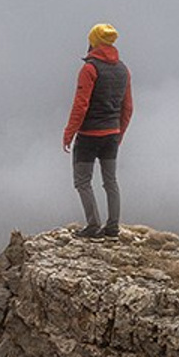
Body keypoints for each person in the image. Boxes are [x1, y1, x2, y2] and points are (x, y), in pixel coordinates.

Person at [62, 22, 133, 238]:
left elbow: (81, 105)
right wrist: (119, 133)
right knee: (110, 180)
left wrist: (69, 132)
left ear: (92, 42)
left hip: (89, 135)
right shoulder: (123, 70)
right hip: (112, 133)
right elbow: (127, 107)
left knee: (82, 181)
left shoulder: (89, 69)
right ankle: (113, 227)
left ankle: (93, 225)